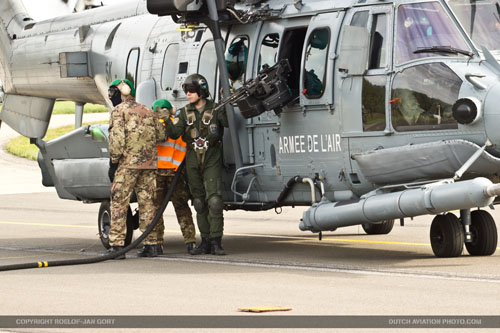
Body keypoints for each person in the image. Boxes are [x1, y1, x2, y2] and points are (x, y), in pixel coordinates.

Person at [165, 74, 228, 255]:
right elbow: (176, 133)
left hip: (212, 158)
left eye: (192, 91)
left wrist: (227, 104)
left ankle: (216, 241)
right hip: (192, 159)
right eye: (186, 91)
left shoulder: (216, 109)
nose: (188, 94)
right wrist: (167, 119)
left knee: (214, 201)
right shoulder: (185, 113)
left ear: (201, 91)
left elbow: (228, 123)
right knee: (199, 202)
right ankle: (205, 241)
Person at [106, 78, 160, 258]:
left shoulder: (118, 111)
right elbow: (161, 134)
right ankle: (151, 244)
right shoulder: (147, 110)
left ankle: (117, 245)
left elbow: (117, 141)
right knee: (148, 203)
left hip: (128, 164)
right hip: (149, 164)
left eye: (112, 93)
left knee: (119, 200)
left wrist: (114, 163)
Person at [152, 98, 197, 253]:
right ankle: (190, 241)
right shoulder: (178, 125)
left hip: (157, 174)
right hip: (176, 173)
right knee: (182, 208)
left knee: (155, 210)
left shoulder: (153, 126)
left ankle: (156, 243)